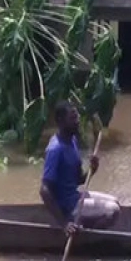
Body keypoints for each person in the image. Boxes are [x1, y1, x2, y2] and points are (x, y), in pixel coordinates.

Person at [40, 101, 120, 236]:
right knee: (113, 210)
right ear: (60, 121)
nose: (77, 121)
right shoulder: (55, 149)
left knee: (115, 201)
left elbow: (78, 180)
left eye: (77, 117)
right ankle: (87, 237)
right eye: (72, 118)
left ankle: (86, 228)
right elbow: (44, 191)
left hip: (75, 197)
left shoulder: (72, 141)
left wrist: (92, 170)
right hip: (67, 207)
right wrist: (64, 224)